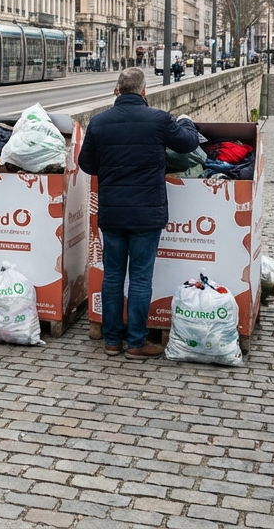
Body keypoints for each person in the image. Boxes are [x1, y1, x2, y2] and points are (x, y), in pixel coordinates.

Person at [78, 67, 200, 359]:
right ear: (144, 91)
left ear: (117, 90)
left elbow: (87, 164)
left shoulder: (99, 122)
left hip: (112, 213)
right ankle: (135, 343)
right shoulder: (159, 120)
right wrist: (186, 121)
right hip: (147, 214)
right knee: (141, 278)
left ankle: (111, 341)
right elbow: (189, 143)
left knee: (112, 276)